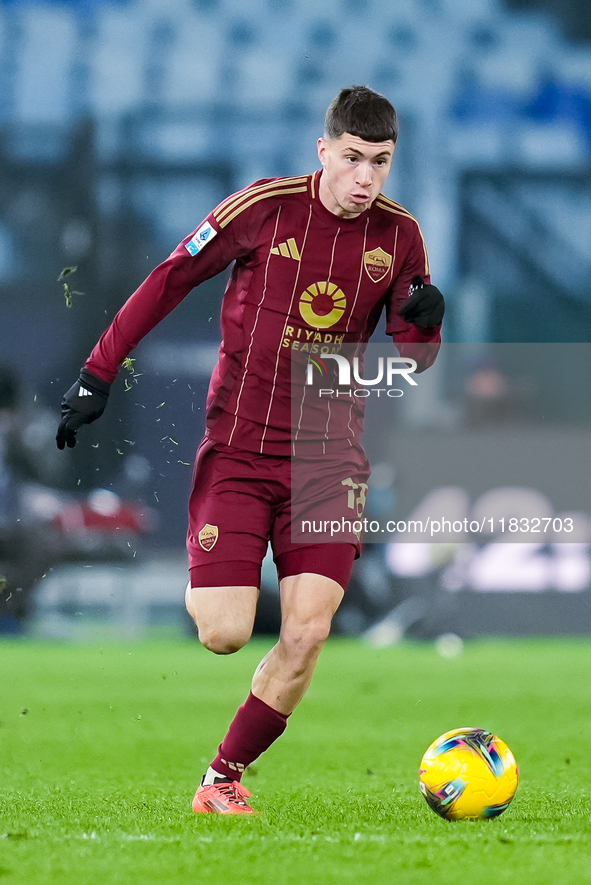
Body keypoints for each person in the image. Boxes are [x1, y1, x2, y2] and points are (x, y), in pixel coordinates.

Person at [56, 86, 444, 814]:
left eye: (381, 163)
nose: (365, 177)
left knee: (306, 630)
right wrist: (98, 371)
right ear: (323, 151)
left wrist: (426, 323)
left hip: (329, 464)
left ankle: (221, 777)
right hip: (238, 449)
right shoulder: (261, 209)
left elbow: (412, 360)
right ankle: (226, 569)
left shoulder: (400, 237)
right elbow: (169, 278)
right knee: (224, 632)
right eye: (354, 158)